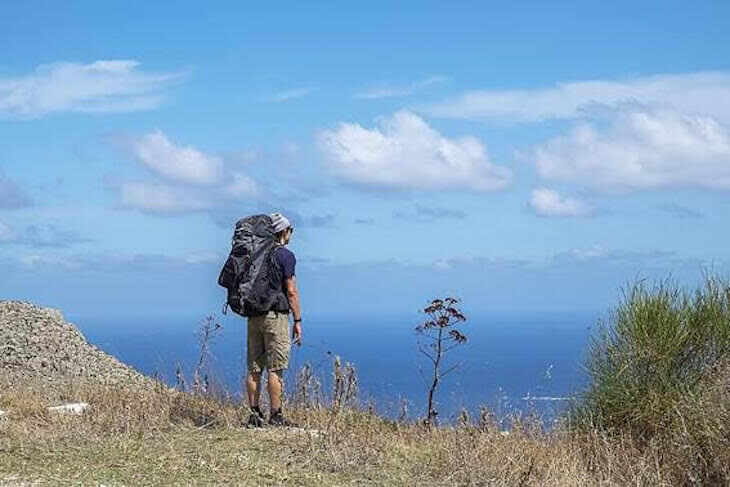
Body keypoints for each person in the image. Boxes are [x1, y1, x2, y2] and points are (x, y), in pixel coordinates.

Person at [246, 213, 302, 427]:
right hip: (275, 316)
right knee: (275, 368)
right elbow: (291, 291)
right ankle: (276, 416)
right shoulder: (285, 256)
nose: (291, 234)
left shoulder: (254, 254)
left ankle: (254, 415)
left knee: (254, 368)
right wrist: (298, 320)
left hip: (253, 316)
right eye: (290, 230)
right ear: (283, 231)